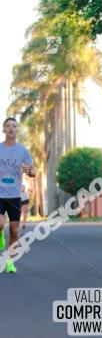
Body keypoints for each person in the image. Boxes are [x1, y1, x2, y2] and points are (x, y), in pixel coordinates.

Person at [0, 117, 35, 273]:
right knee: (0, 223)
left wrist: (30, 171)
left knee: (14, 230)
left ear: (18, 129)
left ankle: (10, 262)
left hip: (15, 195)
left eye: (14, 126)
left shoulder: (23, 151)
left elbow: (33, 170)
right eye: (8, 126)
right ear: (4, 130)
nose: (11, 128)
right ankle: (0, 234)